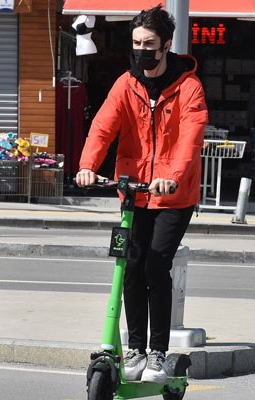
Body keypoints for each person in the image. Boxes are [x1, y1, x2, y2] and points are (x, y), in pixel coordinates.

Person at [75, 5, 207, 384]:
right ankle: (134, 348)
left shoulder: (188, 87)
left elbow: (190, 138)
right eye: (136, 43)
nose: (141, 50)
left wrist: (174, 177)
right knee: (130, 265)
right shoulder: (126, 83)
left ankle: (159, 353)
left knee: (154, 264)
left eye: (149, 43)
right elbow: (103, 125)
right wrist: (88, 166)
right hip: (133, 191)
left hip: (173, 195)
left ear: (166, 45)